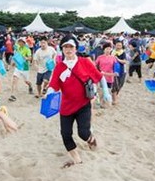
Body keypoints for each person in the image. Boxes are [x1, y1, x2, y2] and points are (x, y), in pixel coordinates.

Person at [47, 36, 110, 168]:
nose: (68, 49)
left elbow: (99, 77)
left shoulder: (84, 62)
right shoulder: (59, 67)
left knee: (83, 133)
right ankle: (77, 159)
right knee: (65, 134)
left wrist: (105, 91)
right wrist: (49, 93)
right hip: (66, 106)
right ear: (62, 49)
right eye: (65, 47)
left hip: (83, 104)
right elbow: (53, 85)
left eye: (71, 46)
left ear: (76, 48)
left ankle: (91, 140)